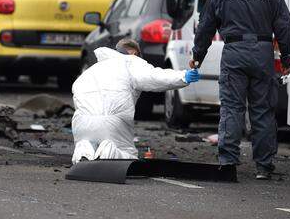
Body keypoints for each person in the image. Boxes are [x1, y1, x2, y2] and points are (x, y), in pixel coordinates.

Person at [191, 0, 290, 180]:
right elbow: (284, 26)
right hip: (263, 53)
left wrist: (198, 56)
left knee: (231, 108)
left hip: (234, 53)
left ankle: (228, 161)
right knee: (262, 111)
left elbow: (205, 26)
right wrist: (286, 58)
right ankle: (263, 167)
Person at [71, 39, 200, 164]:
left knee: (88, 143)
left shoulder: (92, 70)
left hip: (81, 124)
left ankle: (83, 150)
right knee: (128, 156)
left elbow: (76, 89)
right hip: (112, 121)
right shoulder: (131, 62)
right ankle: (108, 151)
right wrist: (183, 76)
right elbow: (154, 77)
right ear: (133, 52)